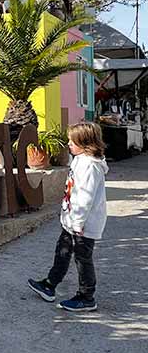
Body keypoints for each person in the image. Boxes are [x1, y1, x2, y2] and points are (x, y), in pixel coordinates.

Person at [28, 122, 109, 311]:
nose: (69, 144)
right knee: (62, 251)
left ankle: (86, 297)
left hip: (83, 224)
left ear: (86, 143)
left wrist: (78, 223)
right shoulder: (79, 159)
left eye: (73, 141)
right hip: (71, 220)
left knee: (83, 258)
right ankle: (49, 284)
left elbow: (85, 197)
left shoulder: (90, 166)